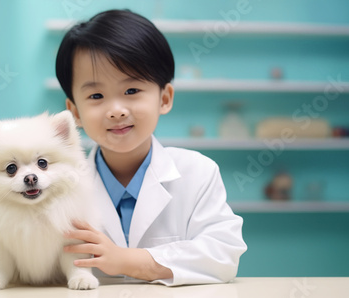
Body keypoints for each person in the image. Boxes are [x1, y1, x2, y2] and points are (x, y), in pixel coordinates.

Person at [56, 9, 247, 286]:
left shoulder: (197, 173)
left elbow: (223, 254)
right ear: (74, 112)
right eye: (96, 95)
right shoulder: (58, 189)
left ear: (164, 98)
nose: (116, 110)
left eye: (131, 91)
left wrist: (129, 261)